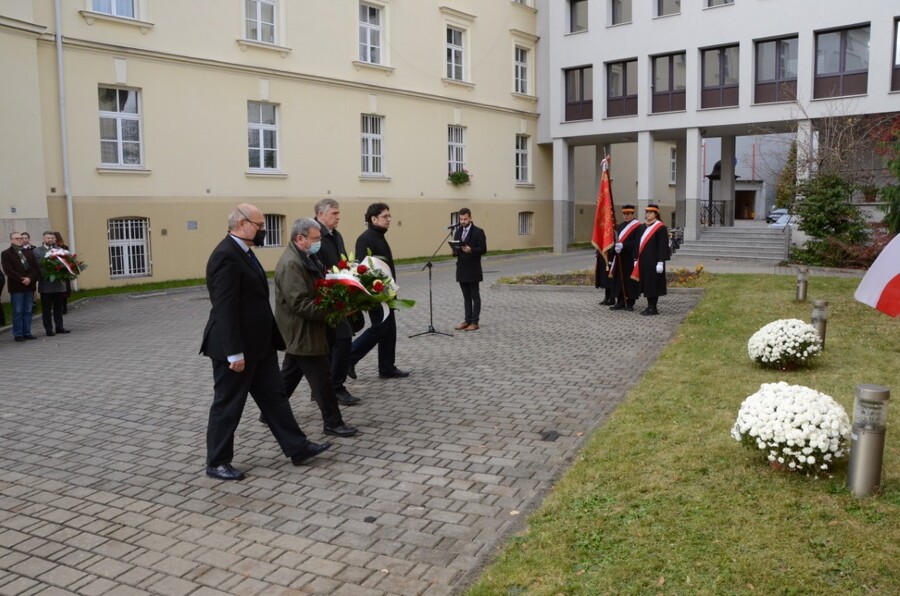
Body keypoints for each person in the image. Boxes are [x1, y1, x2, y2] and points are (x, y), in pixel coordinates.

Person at [200, 203, 330, 481]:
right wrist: (234, 353)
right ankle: (217, 461)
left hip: (260, 346)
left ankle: (297, 447)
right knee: (228, 405)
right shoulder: (225, 255)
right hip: (235, 350)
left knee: (275, 399)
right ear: (242, 224)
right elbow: (224, 308)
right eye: (260, 225)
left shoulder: (244, 253)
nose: (263, 230)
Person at [272, 218, 359, 438]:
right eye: (316, 238)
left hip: (305, 330)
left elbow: (319, 284)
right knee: (323, 379)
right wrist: (335, 311)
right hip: (303, 330)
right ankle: (333, 422)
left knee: (290, 375)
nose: (319, 242)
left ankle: (270, 412)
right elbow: (300, 303)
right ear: (300, 238)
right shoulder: (292, 263)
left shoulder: (305, 256)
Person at [349, 202, 409, 379]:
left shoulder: (379, 236)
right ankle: (350, 357)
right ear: (373, 219)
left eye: (389, 216)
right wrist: (374, 291)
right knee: (379, 329)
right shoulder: (365, 238)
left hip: (387, 292)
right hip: (375, 294)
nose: (389, 219)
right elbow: (363, 268)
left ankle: (387, 367)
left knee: (390, 330)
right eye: (385, 216)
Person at [314, 199, 361, 405]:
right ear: (320, 214)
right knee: (341, 340)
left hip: (339, 294)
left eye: (338, 213)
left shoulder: (336, 235)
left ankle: (323, 388)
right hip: (324, 296)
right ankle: (335, 387)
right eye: (334, 213)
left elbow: (341, 261)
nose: (338, 216)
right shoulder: (315, 236)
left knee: (336, 342)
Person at [451, 208, 487, 331]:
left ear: (470, 218)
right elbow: (456, 249)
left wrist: (471, 250)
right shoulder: (458, 231)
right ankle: (467, 320)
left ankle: (475, 322)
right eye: (461, 219)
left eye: (465, 219)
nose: (463, 221)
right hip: (461, 268)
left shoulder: (478, 232)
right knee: (466, 296)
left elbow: (483, 249)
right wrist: (455, 250)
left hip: (473, 268)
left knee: (474, 296)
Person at [631, 204, 670, 316]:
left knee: (653, 284)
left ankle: (653, 307)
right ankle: (649, 306)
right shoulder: (642, 227)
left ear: (656, 214)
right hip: (643, 261)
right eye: (647, 212)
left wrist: (661, 261)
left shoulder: (660, 227)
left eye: (650, 212)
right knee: (647, 284)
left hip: (655, 261)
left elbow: (663, 245)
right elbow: (637, 244)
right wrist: (635, 258)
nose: (648, 214)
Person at [1, 232, 40, 341]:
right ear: (11, 240)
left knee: (28, 310)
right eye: (16, 238)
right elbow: (8, 270)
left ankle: (27, 332)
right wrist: (22, 279)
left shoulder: (28, 252)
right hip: (17, 286)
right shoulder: (6, 253)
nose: (19, 240)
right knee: (18, 311)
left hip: (29, 285)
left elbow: (34, 267)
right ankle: (18, 334)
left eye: (20, 238)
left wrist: (30, 278)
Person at [33, 232, 70, 336]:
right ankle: (48, 329)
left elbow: (66, 264)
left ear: (55, 239)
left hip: (59, 284)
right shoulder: (37, 251)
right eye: (48, 238)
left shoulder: (60, 250)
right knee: (46, 309)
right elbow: (37, 266)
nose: (50, 240)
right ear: (43, 239)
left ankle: (60, 327)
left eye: (52, 238)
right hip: (46, 284)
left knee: (59, 308)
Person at [609, 205, 643, 312]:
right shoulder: (619, 227)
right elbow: (615, 241)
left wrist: (624, 246)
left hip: (630, 258)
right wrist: (616, 249)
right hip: (620, 258)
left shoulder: (638, 227)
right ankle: (620, 301)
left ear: (633, 214)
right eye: (624, 214)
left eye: (628, 214)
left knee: (630, 281)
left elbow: (637, 242)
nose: (626, 216)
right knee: (619, 280)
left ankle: (630, 303)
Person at [53, 232, 72, 315]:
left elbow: (68, 258)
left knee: (63, 290)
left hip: (63, 270)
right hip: (54, 271)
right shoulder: (51, 248)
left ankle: (64, 308)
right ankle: (58, 308)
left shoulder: (64, 247)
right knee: (56, 291)